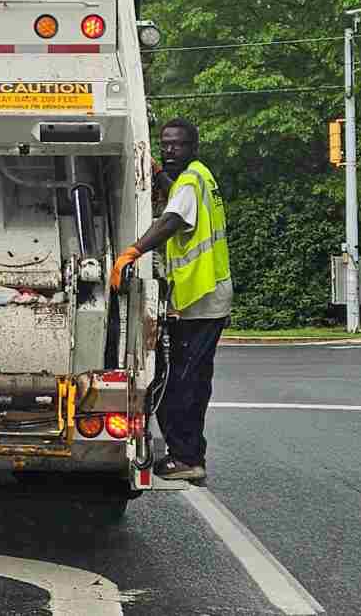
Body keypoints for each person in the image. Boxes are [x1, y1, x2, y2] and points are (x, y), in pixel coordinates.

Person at [110, 118, 232, 480]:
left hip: (203, 298)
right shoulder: (196, 177)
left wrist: (131, 252)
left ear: (194, 146)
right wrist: (159, 173)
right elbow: (177, 193)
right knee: (185, 378)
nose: (170, 149)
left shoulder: (193, 180)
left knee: (185, 382)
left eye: (177, 144)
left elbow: (172, 219)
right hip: (202, 298)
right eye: (165, 144)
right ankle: (187, 453)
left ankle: (187, 458)